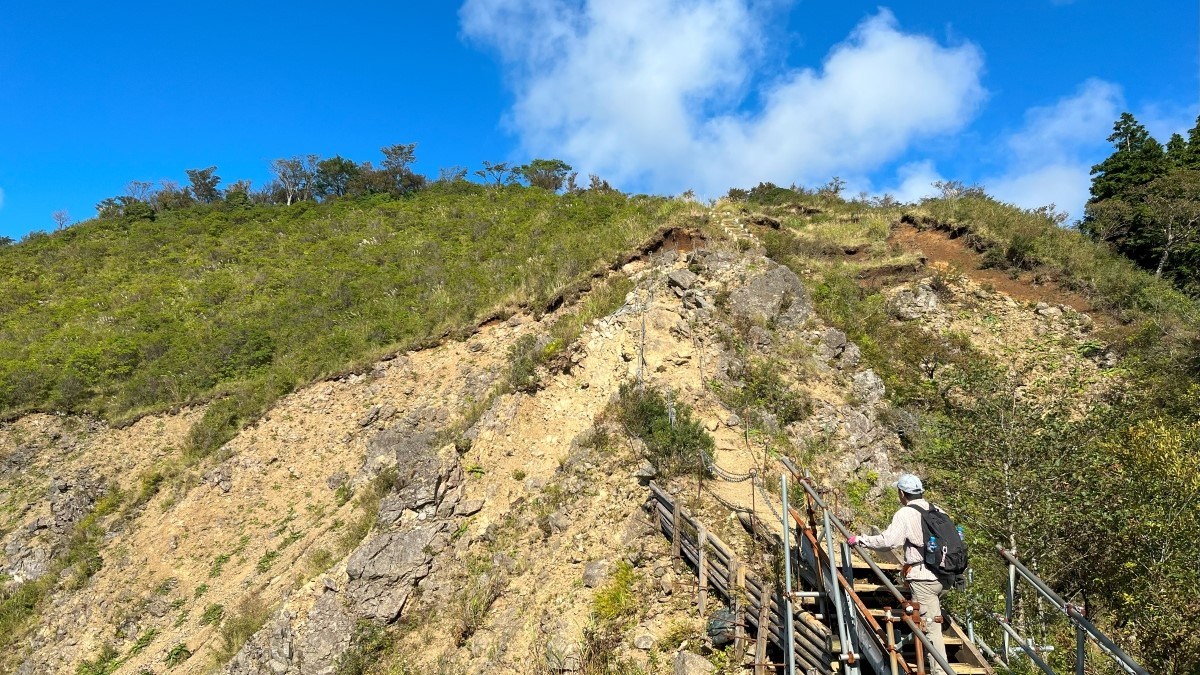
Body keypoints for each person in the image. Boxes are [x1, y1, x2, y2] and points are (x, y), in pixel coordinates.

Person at [847, 473, 949, 675]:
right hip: (945, 576)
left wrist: (861, 540)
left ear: (902, 493)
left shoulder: (905, 513)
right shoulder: (937, 509)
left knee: (930, 628)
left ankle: (941, 672)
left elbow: (888, 542)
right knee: (930, 616)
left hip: (924, 578)